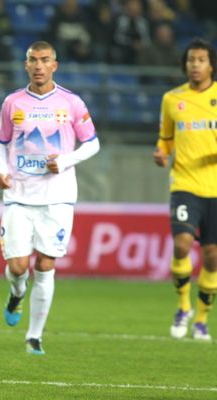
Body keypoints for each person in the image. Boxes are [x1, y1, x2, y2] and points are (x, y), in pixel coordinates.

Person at [0, 41, 100, 355]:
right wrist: (1, 170)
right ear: (25, 64)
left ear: (55, 65)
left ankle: (34, 336)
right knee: (17, 267)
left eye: (44, 60)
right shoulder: (12, 102)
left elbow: (92, 144)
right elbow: (1, 143)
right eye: (33, 60)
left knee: (46, 263)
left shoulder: (71, 102)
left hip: (58, 196)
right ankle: (16, 294)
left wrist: (65, 161)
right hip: (19, 194)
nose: (38, 65)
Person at [153, 38, 217, 341]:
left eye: (201, 60)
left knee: (212, 256)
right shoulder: (171, 99)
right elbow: (165, 137)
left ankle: (202, 320)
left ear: (211, 65)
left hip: (215, 188)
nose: (195, 65)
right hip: (185, 184)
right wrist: (161, 152)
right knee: (181, 244)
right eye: (191, 59)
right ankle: (182, 307)